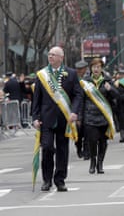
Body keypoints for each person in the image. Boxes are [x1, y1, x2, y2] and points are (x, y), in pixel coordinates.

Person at [32, 46, 83, 192]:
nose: (50, 57)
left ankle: (60, 179)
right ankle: (46, 179)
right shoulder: (42, 75)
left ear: (61, 57)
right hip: (46, 119)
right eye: (49, 54)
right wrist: (35, 117)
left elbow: (78, 95)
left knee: (62, 150)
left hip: (64, 118)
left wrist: (74, 112)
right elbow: (37, 98)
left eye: (53, 55)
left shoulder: (71, 74)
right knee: (47, 148)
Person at [81, 58, 118, 174]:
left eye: (98, 67)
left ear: (102, 68)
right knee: (92, 140)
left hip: (104, 116)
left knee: (103, 141)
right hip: (90, 116)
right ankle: (93, 161)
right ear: (90, 68)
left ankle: (100, 163)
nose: (96, 69)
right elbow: (81, 98)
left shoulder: (107, 80)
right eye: (94, 67)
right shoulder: (85, 82)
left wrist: (110, 89)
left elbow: (116, 95)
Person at [74, 60, 89, 160]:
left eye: (83, 69)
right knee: (79, 134)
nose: (81, 71)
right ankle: (79, 148)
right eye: (79, 69)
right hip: (78, 109)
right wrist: (78, 116)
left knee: (88, 133)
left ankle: (87, 152)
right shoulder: (74, 80)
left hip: (88, 110)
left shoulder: (88, 80)